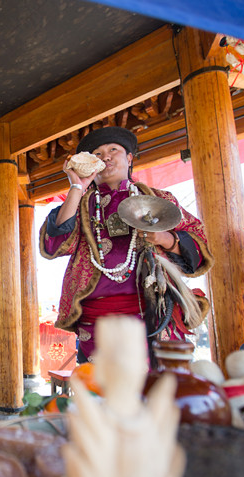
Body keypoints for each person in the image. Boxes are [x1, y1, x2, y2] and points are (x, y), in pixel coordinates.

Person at [40, 126, 213, 365]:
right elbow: (54, 246)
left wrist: (166, 239)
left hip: (154, 312)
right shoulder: (80, 205)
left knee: (159, 392)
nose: (106, 157)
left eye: (113, 150)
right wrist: (76, 186)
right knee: (107, 393)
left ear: (129, 158)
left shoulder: (160, 199)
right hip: (97, 318)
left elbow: (199, 241)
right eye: (97, 154)